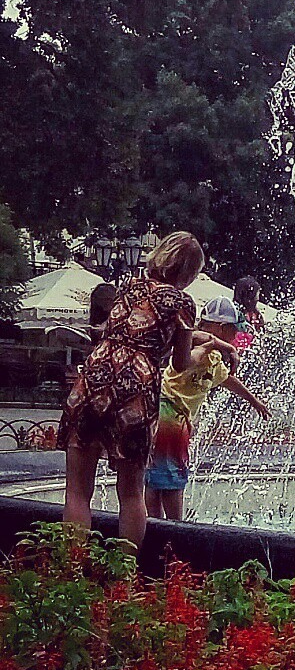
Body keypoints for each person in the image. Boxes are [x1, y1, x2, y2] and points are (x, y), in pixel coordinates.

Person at [59, 232, 217, 550]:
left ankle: (69, 572)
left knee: (77, 490)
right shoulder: (182, 302)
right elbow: (181, 363)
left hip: (93, 377)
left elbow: (127, 329)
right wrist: (207, 348)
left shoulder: (128, 286)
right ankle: (123, 579)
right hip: (135, 389)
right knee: (131, 494)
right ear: (188, 273)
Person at [146, 298, 272, 521]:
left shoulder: (213, 357)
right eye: (234, 331)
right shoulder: (196, 344)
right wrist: (220, 345)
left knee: (158, 475)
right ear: (222, 328)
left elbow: (228, 381)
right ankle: (175, 528)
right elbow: (192, 339)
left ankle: (155, 526)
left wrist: (255, 402)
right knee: (171, 477)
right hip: (169, 413)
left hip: (174, 416)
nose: (236, 337)